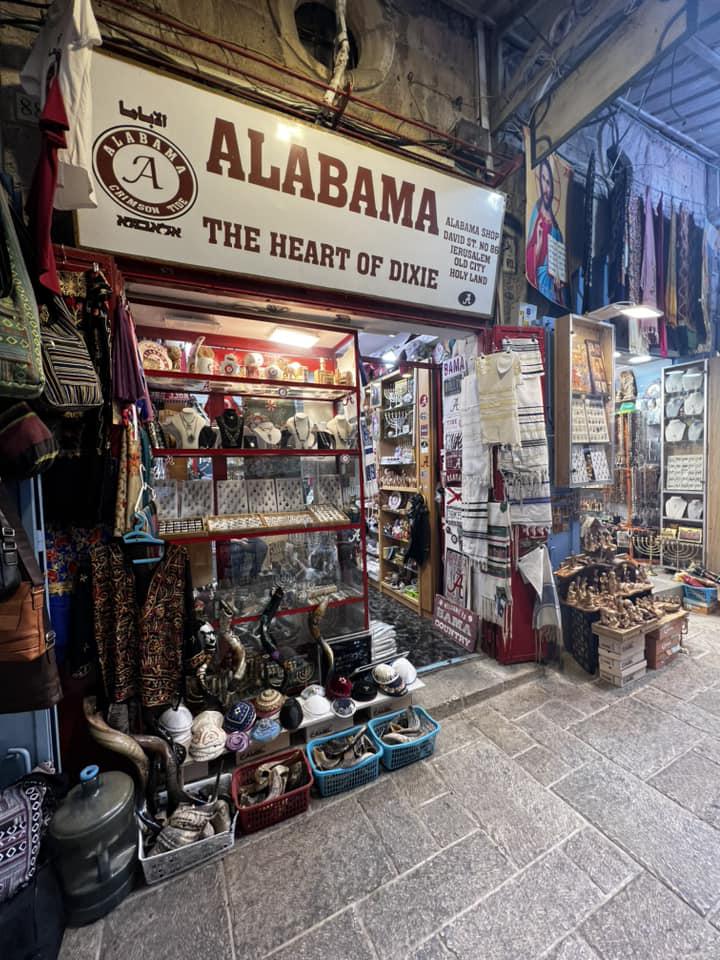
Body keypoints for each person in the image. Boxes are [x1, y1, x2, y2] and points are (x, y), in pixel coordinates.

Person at [526, 158, 569, 305]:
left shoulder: (556, 227)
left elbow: (560, 263)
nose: (546, 188)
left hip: (553, 287)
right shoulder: (535, 214)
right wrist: (537, 246)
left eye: (549, 182)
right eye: (543, 180)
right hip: (539, 280)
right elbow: (530, 251)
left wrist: (559, 281)